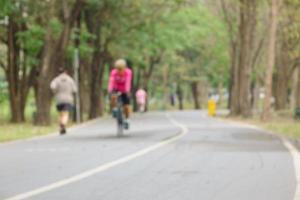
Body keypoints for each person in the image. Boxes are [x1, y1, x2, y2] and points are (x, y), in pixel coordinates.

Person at [50, 68, 77, 135]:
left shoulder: (56, 79)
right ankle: (63, 124)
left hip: (59, 99)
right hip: (68, 99)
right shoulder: (70, 79)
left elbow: (52, 86)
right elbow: (75, 90)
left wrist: (55, 91)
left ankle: (61, 126)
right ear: (66, 72)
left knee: (60, 113)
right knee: (66, 113)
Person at [108, 59, 132, 128]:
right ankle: (114, 109)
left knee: (126, 106)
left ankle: (127, 120)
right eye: (118, 69)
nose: (119, 71)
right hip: (116, 88)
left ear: (124, 68)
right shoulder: (114, 72)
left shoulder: (128, 72)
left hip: (125, 89)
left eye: (121, 69)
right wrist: (110, 90)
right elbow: (111, 81)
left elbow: (128, 82)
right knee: (113, 97)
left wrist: (127, 91)